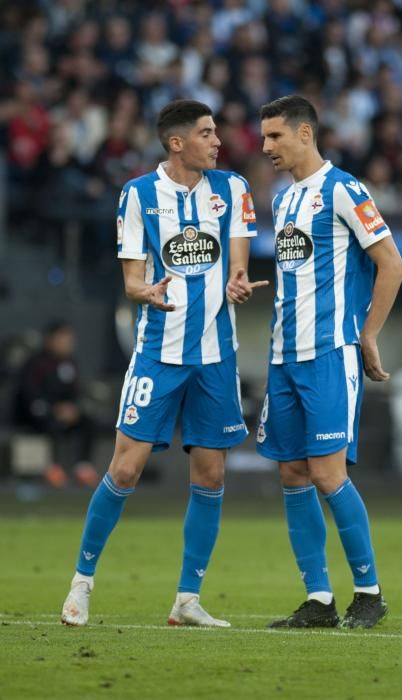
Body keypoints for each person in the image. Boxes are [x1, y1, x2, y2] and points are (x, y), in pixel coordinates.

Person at [61, 99, 268, 628]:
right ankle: (81, 584)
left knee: (210, 471)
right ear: (177, 143)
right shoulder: (138, 195)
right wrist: (142, 291)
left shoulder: (232, 188)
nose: (217, 141)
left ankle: (187, 599)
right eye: (206, 133)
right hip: (158, 353)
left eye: (216, 131)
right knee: (125, 468)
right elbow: (131, 278)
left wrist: (237, 280)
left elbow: (239, 254)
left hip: (216, 357)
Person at [256, 95, 402, 629]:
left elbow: (392, 264)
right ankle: (319, 600)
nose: (265, 146)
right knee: (293, 472)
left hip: (328, 354)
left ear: (304, 133)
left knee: (326, 472)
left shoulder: (344, 189)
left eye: (274, 136)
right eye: (263, 136)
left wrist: (367, 335)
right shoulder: (283, 198)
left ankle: (369, 593)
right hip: (282, 356)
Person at [14, 321, 99, 488]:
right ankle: (52, 467)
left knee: (88, 421)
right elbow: (29, 394)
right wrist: (53, 409)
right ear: (50, 340)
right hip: (35, 414)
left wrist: (73, 408)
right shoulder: (36, 363)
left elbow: (75, 392)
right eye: (62, 339)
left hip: (63, 413)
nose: (67, 344)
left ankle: (83, 467)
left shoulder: (70, 363)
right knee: (50, 420)